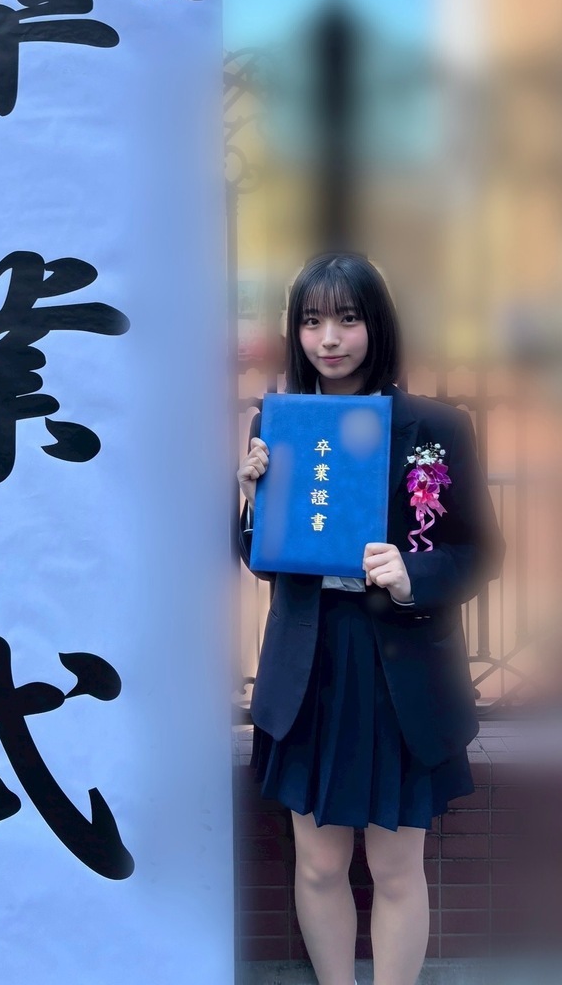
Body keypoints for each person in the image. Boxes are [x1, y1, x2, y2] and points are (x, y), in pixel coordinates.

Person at [236, 252, 505, 985]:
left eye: (348, 319)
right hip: (310, 665)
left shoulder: (435, 427)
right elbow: (262, 560)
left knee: (395, 866)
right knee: (319, 865)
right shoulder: (278, 422)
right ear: (296, 333)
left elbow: (480, 551)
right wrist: (253, 501)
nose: (329, 338)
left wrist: (414, 574)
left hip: (401, 668)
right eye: (312, 321)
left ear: (376, 326)